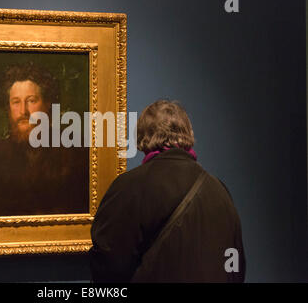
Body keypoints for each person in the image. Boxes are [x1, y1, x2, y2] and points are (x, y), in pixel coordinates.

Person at [89, 99, 245, 282]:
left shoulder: (129, 188)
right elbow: (235, 266)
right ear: (189, 134)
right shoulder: (219, 191)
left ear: (142, 137)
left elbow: (107, 265)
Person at [0, 62, 88, 217]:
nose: (23, 111)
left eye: (31, 100)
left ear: (48, 104)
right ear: (8, 108)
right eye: (16, 102)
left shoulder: (73, 152)